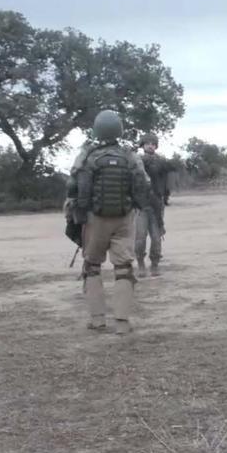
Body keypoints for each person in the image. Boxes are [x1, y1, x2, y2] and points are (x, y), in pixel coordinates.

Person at [66, 109, 150, 334]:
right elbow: (143, 184)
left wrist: (79, 213)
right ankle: (122, 322)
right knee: (123, 267)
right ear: (119, 130)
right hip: (124, 217)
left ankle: (97, 320)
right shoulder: (130, 156)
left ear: (96, 129)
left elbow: (73, 185)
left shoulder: (87, 155)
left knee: (92, 266)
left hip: (95, 219)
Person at [134, 132, 173, 277]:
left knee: (156, 238)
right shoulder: (136, 161)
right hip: (141, 205)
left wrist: (165, 196)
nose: (150, 146)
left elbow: (166, 181)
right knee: (140, 237)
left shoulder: (161, 162)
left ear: (156, 146)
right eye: (147, 143)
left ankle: (155, 264)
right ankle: (141, 264)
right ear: (142, 145)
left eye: (152, 143)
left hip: (157, 204)